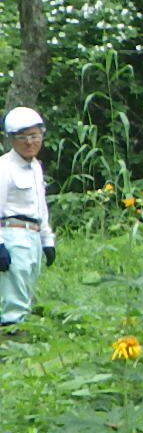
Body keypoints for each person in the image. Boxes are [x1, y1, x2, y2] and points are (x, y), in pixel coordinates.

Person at [0, 107, 55, 330]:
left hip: (32, 236)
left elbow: (40, 207)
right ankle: (11, 349)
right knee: (14, 301)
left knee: (26, 294)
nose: (29, 142)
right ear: (12, 139)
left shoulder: (35, 167)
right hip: (12, 235)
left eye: (34, 136)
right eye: (22, 137)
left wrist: (47, 241)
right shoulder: (4, 167)